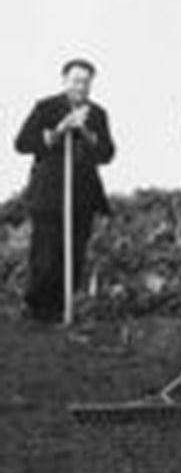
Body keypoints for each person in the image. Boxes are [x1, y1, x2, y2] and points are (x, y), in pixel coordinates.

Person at [13, 58, 115, 323]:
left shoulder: (98, 114)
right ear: (64, 80)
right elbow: (22, 143)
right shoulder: (46, 107)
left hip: (83, 194)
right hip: (50, 195)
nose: (80, 86)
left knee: (75, 255)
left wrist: (85, 131)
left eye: (85, 81)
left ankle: (63, 311)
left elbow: (107, 153)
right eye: (75, 80)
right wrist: (59, 130)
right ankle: (38, 312)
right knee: (46, 255)